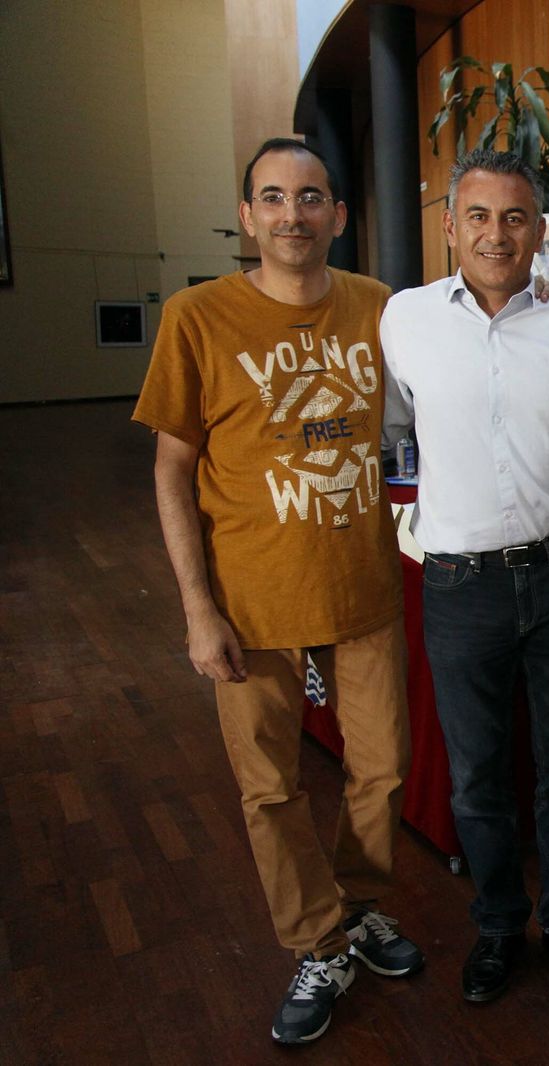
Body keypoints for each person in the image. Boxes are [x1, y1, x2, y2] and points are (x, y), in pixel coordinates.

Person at [133, 138, 423, 1046]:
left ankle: (363, 905)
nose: (292, 214)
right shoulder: (196, 317)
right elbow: (172, 471)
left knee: (381, 772)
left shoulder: (381, 307)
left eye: (311, 197)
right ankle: (316, 941)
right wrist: (196, 609)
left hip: (366, 588)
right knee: (270, 789)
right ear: (250, 215)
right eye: (273, 198)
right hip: (249, 604)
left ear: (337, 214)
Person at [380, 148, 549, 1003]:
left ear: (539, 231)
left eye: (516, 217)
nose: (498, 234)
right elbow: (380, 433)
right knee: (476, 776)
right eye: (480, 217)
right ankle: (497, 924)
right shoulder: (403, 322)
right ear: (450, 225)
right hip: (460, 586)